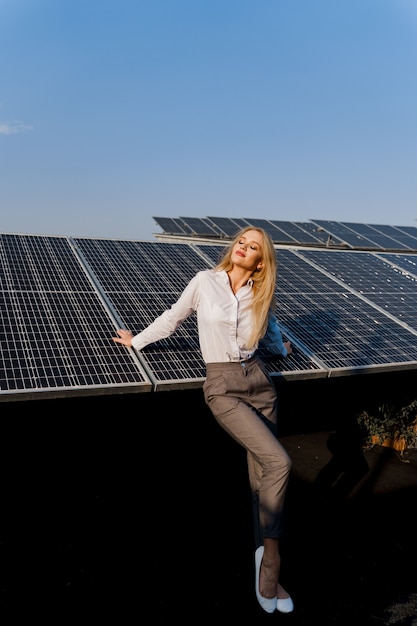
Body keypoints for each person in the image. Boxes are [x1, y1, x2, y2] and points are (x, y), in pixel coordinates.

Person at [112, 226, 294, 614]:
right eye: (241, 241)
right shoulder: (204, 282)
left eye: (253, 246)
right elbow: (173, 317)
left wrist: (281, 348)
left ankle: (259, 551)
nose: (243, 247)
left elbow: (271, 328)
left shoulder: (261, 292)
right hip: (222, 386)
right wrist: (137, 340)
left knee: (261, 476)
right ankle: (273, 561)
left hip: (260, 382)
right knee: (280, 461)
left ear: (261, 261)